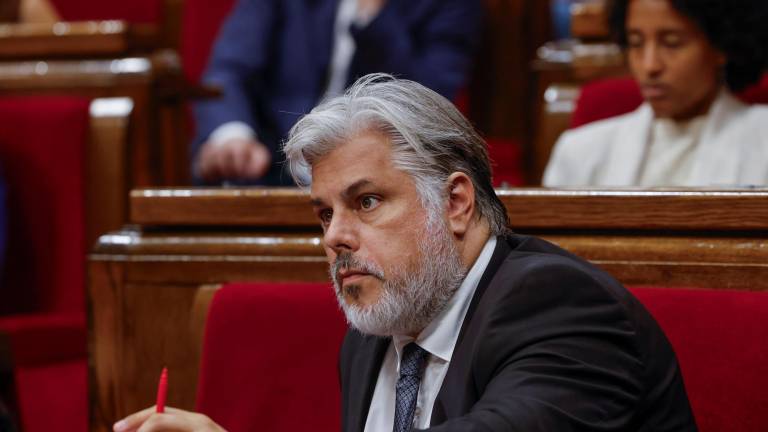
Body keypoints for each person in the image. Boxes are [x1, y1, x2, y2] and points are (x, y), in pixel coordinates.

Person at [115, 74, 696, 431]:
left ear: (457, 202)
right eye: (325, 213)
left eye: (365, 202)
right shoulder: (372, 337)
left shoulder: (557, 306)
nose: (334, 238)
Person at [192, 0, 483, 185]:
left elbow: (428, 101)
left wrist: (375, 17)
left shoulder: (451, 5)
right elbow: (229, 71)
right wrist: (232, 135)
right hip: (270, 159)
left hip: (376, 165)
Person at [543, 0, 768, 187]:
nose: (650, 65)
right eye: (636, 43)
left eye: (672, 43)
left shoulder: (761, 137)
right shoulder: (580, 151)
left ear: (720, 46)